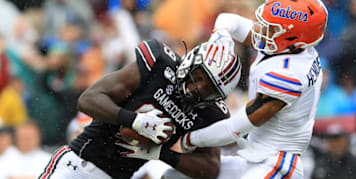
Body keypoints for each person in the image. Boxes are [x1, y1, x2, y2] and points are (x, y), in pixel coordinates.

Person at [174, 0, 328, 179]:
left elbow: (235, 128)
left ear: (293, 38)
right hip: (255, 156)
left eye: (272, 28)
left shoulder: (290, 76)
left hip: (279, 164)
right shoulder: (287, 46)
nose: (262, 29)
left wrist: (189, 139)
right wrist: (220, 36)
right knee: (174, 175)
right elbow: (230, 20)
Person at [38, 39, 241, 178]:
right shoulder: (159, 65)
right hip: (79, 165)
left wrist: (161, 154)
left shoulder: (210, 113)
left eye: (209, 89)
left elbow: (211, 167)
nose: (198, 88)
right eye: (199, 77)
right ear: (192, 62)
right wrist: (135, 120)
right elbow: (88, 99)